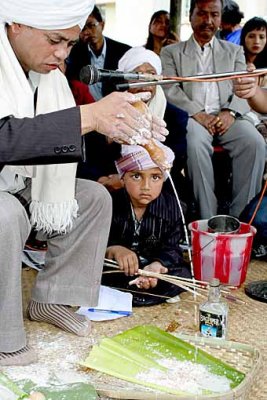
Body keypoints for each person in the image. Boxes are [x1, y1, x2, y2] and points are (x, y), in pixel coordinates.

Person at [0, 0, 168, 367]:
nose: (62, 55)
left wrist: (123, 125)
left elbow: (53, 140)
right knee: (5, 212)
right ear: (16, 25)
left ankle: (54, 300)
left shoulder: (43, 74)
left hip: (12, 180)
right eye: (54, 40)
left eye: (70, 44)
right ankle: (3, 337)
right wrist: (89, 115)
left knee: (92, 197)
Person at [160, 0, 265, 219]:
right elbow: (170, 88)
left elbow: (242, 87)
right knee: (195, 144)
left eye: (214, 15)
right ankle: (209, 218)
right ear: (191, 16)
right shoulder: (171, 52)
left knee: (254, 143)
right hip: (193, 117)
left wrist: (230, 112)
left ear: (220, 18)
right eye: (202, 14)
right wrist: (198, 113)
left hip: (228, 116)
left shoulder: (234, 51)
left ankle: (241, 219)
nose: (208, 21)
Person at [102, 142, 191, 306]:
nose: (146, 187)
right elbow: (94, 242)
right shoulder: (108, 204)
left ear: (164, 179)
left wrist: (157, 266)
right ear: (122, 177)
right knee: (95, 272)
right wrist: (114, 250)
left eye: (155, 177)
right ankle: (135, 289)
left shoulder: (173, 208)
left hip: (151, 264)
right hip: (118, 268)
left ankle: (149, 283)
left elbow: (172, 248)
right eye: (136, 176)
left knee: (183, 274)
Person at [66, 5, 131, 101]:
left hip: (115, 105)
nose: (87, 32)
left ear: (102, 25)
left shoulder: (123, 52)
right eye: (83, 28)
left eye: (91, 25)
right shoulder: (75, 52)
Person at [240, 17, 267, 140]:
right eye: (251, 36)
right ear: (244, 38)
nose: (257, 41)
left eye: (261, 37)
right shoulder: (236, 60)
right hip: (240, 114)